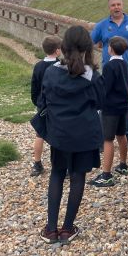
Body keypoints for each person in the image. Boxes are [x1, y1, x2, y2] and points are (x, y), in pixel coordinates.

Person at [38, 26, 103, 244]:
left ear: (63, 46)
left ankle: (50, 229)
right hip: (83, 135)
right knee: (77, 178)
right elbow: (100, 102)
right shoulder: (92, 76)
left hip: (60, 134)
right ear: (87, 48)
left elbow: (43, 101)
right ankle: (67, 229)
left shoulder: (51, 72)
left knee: (57, 174)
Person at [91, 0, 128, 150]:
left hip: (127, 71)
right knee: (105, 102)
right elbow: (90, 42)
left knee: (127, 104)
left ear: (122, 5)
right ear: (109, 7)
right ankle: (102, 138)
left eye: (118, 4)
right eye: (113, 5)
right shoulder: (102, 25)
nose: (116, 7)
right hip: (108, 70)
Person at [88, 36, 128, 187]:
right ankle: (123, 165)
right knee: (121, 135)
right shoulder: (125, 64)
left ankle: (106, 174)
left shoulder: (109, 66)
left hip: (110, 107)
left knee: (108, 139)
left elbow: (105, 87)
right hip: (123, 105)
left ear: (110, 49)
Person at [30, 35, 62, 177]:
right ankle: (60, 165)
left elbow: (34, 87)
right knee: (59, 134)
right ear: (57, 50)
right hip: (59, 105)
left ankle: (37, 164)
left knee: (40, 134)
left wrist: (37, 102)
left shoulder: (38, 66)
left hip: (42, 105)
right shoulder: (61, 66)